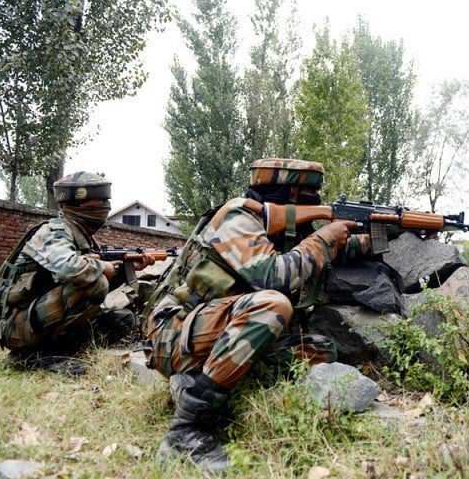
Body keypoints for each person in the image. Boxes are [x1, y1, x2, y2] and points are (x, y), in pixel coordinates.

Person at [142, 159, 374, 471]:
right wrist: (323, 239)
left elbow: (334, 251)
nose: (315, 204)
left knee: (317, 349)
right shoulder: (236, 216)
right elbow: (273, 276)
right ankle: (185, 432)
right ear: (291, 194)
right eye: (308, 197)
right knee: (273, 305)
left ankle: (197, 383)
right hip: (173, 332)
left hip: (218, 330)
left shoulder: (283, 229)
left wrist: (387, 233)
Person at [0, 171, 154, 374]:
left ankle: (61, 351)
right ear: (78, 204)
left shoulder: (81, 236)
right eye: (99, 201)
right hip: (17, 327)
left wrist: (127, 269)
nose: (105, 207)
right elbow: (70, 269)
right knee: (97, 283)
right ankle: (31, 356)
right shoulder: (53, 232)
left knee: (124, 320)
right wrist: (103, 267)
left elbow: (88, 279)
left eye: (106, 201)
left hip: (42, 318)